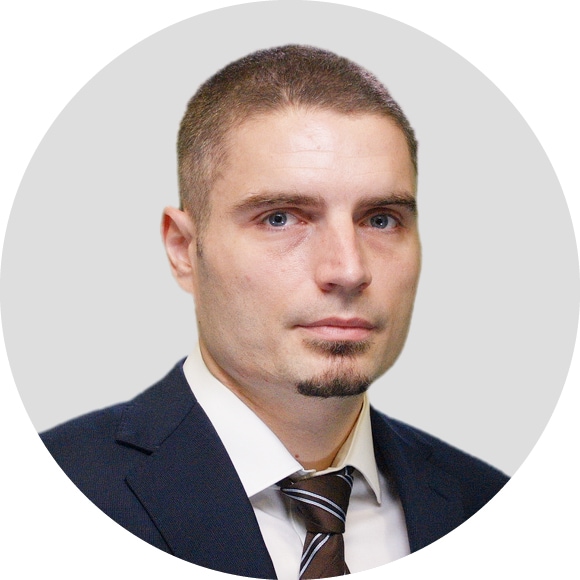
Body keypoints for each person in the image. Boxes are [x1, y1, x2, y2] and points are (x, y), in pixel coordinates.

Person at [41, 45, 508, 579]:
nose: (349, 269)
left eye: (381, 219)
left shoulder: (491, 507)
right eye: (281, 218)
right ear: (183, 249)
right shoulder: (46, 497)